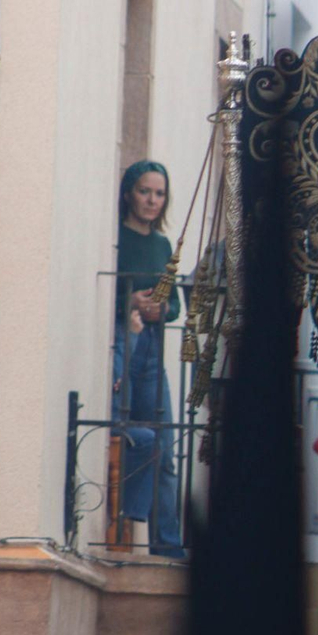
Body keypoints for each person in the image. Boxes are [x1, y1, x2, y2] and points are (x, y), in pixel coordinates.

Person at [113, 160, 184, 558]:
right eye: (145, 191)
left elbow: (174, 304)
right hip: (125, 344)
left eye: (159, 193)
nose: (152, 200)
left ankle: (167, 545)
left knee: (166, 448)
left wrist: (162, 309)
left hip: (153, 349)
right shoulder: (117, 238)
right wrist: (129, 302)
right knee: (128, 437)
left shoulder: (162, 246)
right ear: (128, 194)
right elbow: (110, 292)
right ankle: (122, 525)